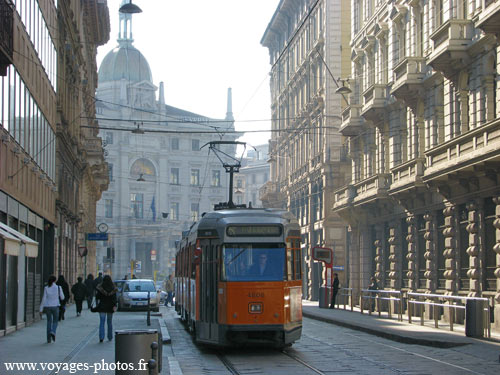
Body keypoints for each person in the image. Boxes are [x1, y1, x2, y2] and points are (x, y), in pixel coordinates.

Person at [39, 275, 64, 343]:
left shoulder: (46, 288)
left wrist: (41, 309)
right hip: (55, 306)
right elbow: (62, 297)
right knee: (55, 321)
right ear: (55, 280)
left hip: (47, 307)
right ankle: (53, 331)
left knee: (49, 321)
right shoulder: (58, 287)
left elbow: (44, 299)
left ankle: (48, 339)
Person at [95, 275, 118, 342]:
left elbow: (97, 297)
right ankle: (110, 337)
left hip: (102, 306)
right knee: (109, 322)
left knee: (102, 322)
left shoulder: (100, 287)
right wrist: (115, 305)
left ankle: (101, 337)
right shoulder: (113, 288)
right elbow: (114, 299)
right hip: (110, 307)